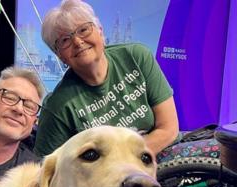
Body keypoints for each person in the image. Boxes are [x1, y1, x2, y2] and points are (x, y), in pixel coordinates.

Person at [34, 0, 179, 157]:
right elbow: (46, 169)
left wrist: (125, 159)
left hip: (168, 156)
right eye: (65, 40)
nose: (77, 41)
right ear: (59, 55)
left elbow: (168, 128)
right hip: (109, 177)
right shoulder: (57, 107)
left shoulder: (136, 57)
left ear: (101, 31)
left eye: (83, 30)